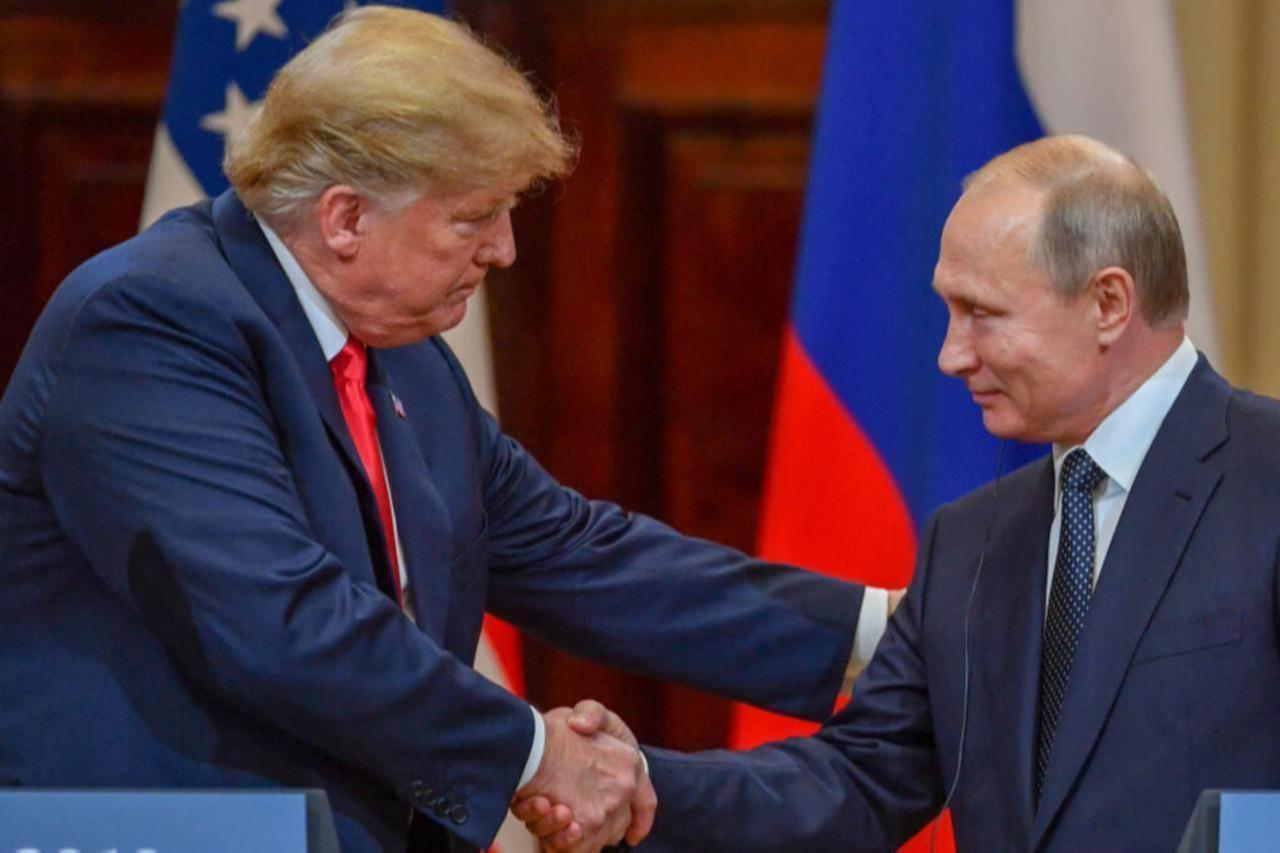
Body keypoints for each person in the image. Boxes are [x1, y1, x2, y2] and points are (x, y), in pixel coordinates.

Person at [0, 7, 896, 853]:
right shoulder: (149, 322)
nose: (504, 249)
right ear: (345, 217)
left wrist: (882, 631)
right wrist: (537, 755)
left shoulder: (406, 357)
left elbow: (578, 554)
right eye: (472, 218)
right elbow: (282, 620)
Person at [519, 134, 1280, 852]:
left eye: (982, 314)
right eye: (949, 312)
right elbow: (855, 780)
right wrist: (641, 786)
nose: (951, 355)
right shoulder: (973, 540)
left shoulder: (1266, 478)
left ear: (1108, 303)